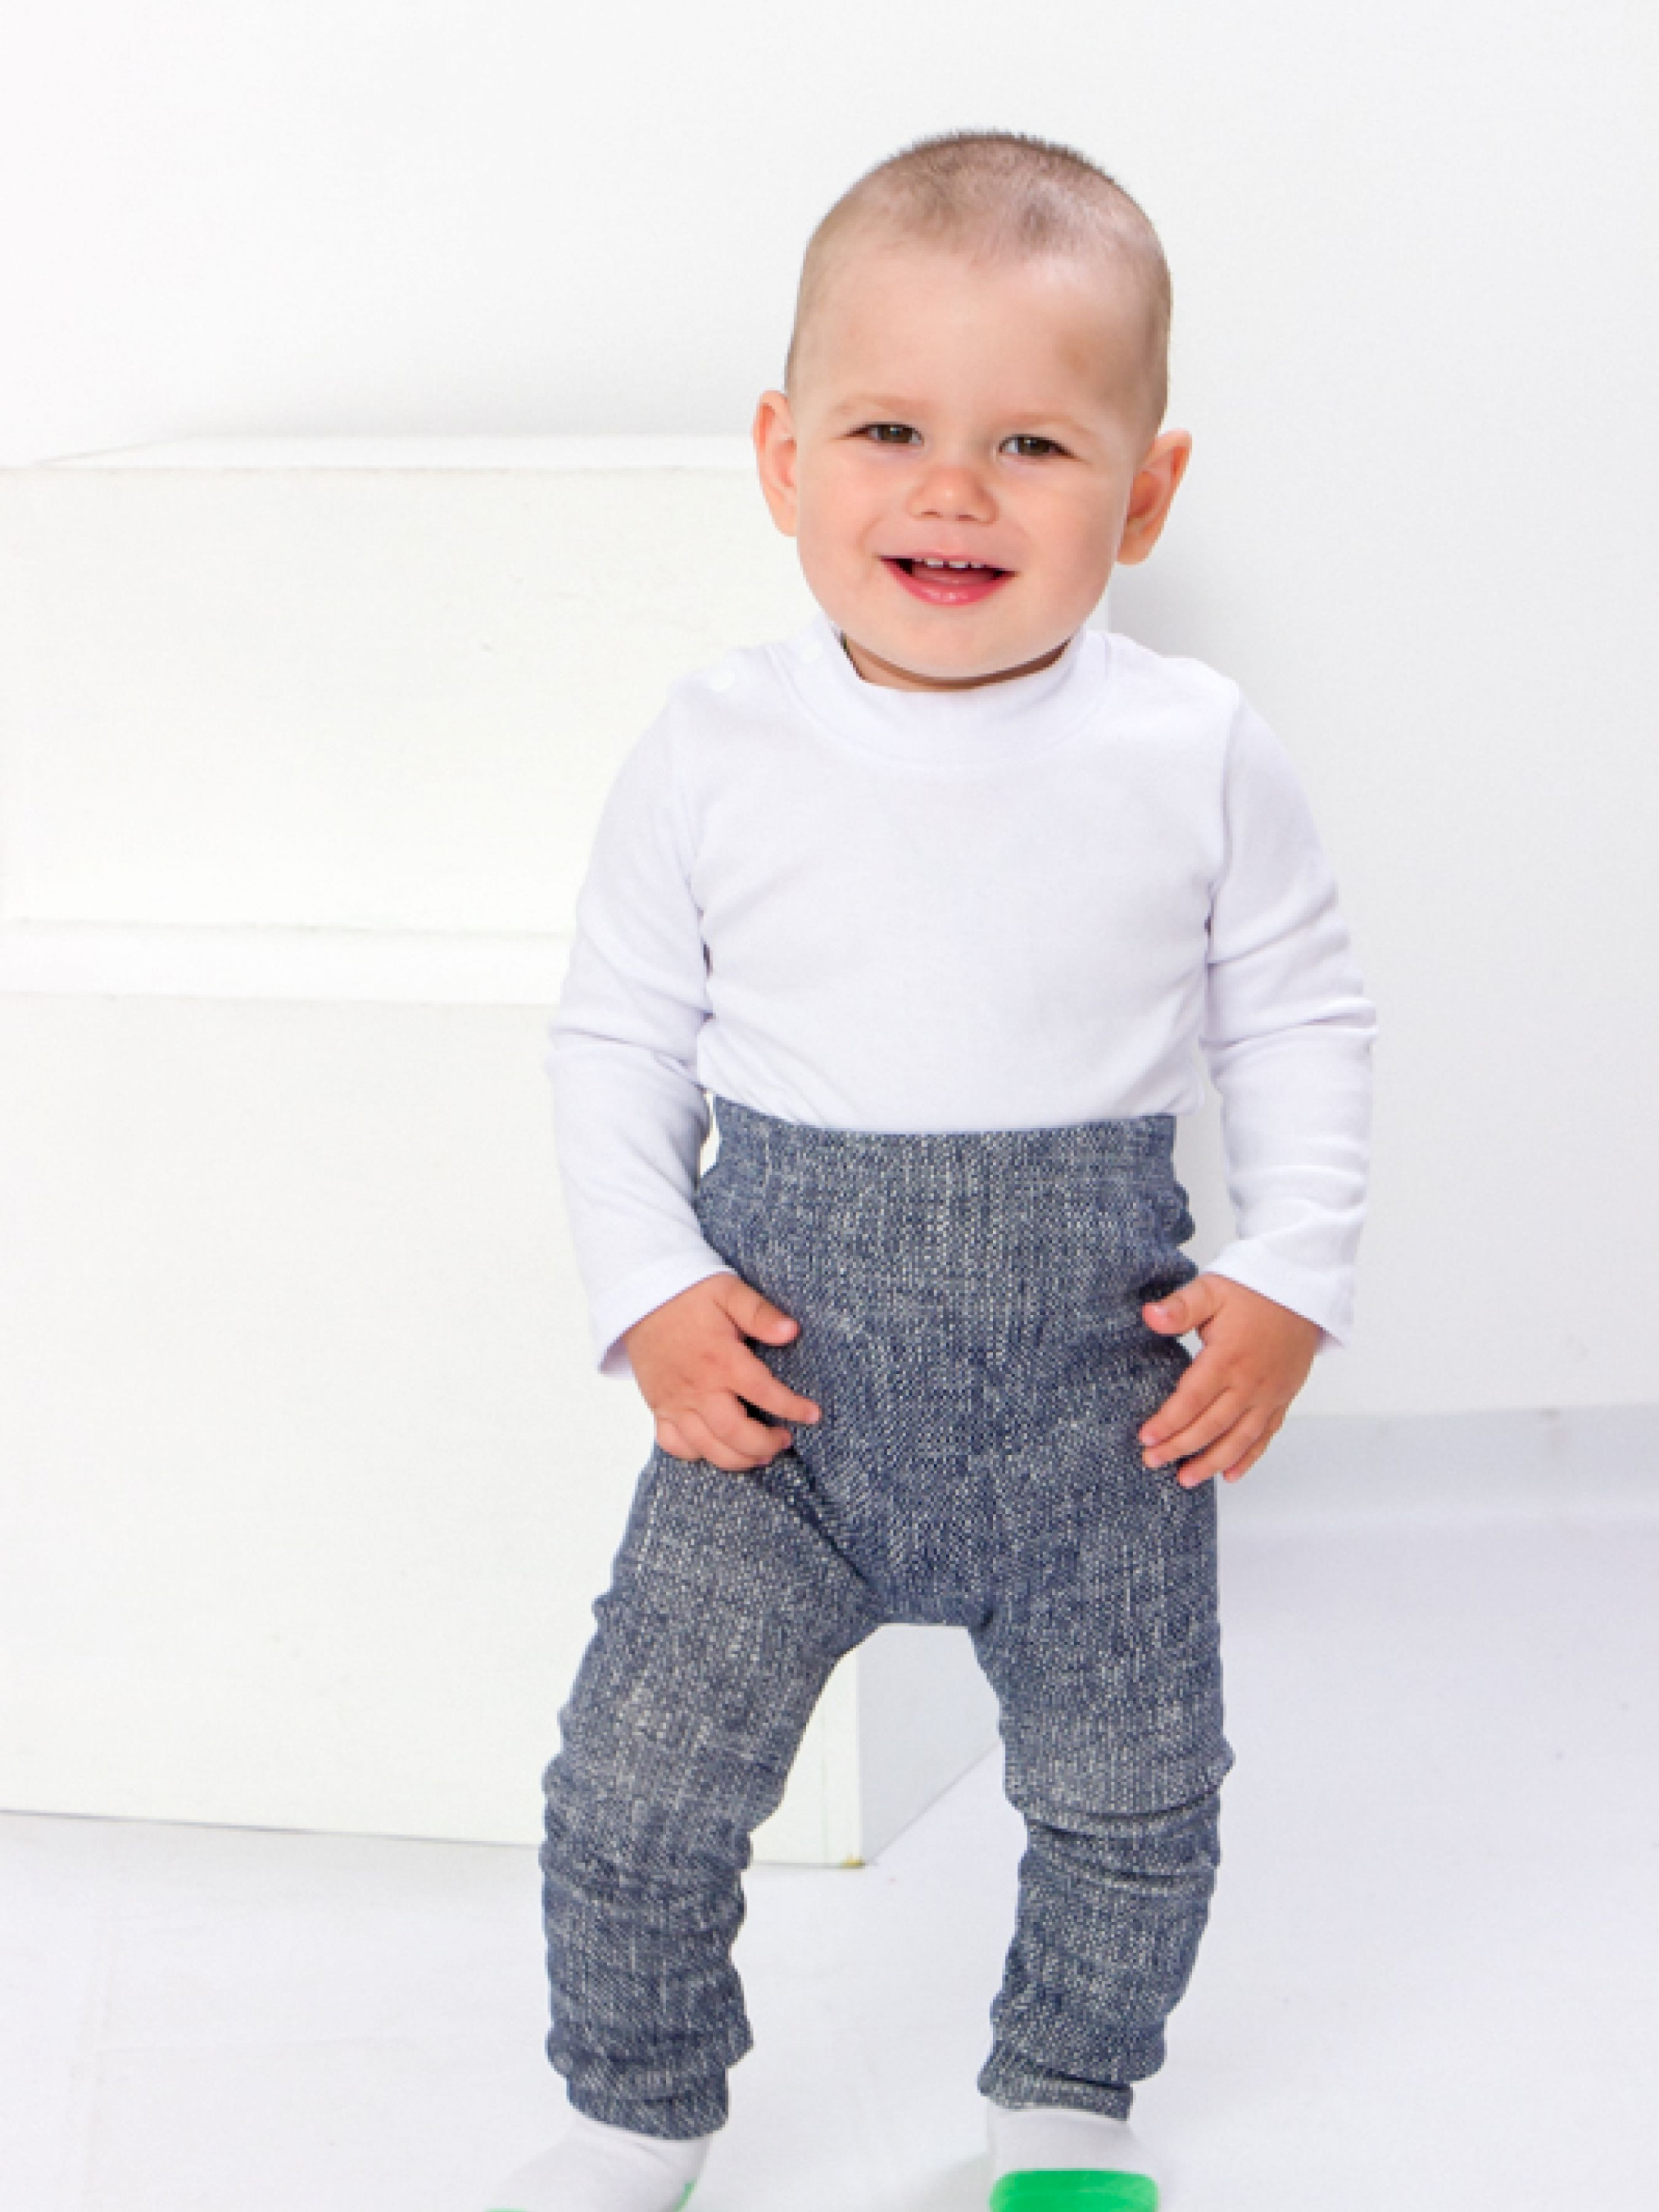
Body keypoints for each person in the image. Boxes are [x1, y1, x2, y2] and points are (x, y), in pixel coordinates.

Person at [483, 128, 1377, 2212]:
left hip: (1099, 1418)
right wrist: (647, 1288)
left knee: (1134, 1794)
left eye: (1031, 445)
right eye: (888, 429)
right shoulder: (712, 746)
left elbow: (1298, 1022)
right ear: (783, 454)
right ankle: (633, 2113)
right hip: (774, 1411)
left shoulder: (1193, 750)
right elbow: (616, 1041)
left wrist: (1294, 1267)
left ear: (1142, 493)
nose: (951, 490)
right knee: (635, 1785)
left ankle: (1064, 2105)